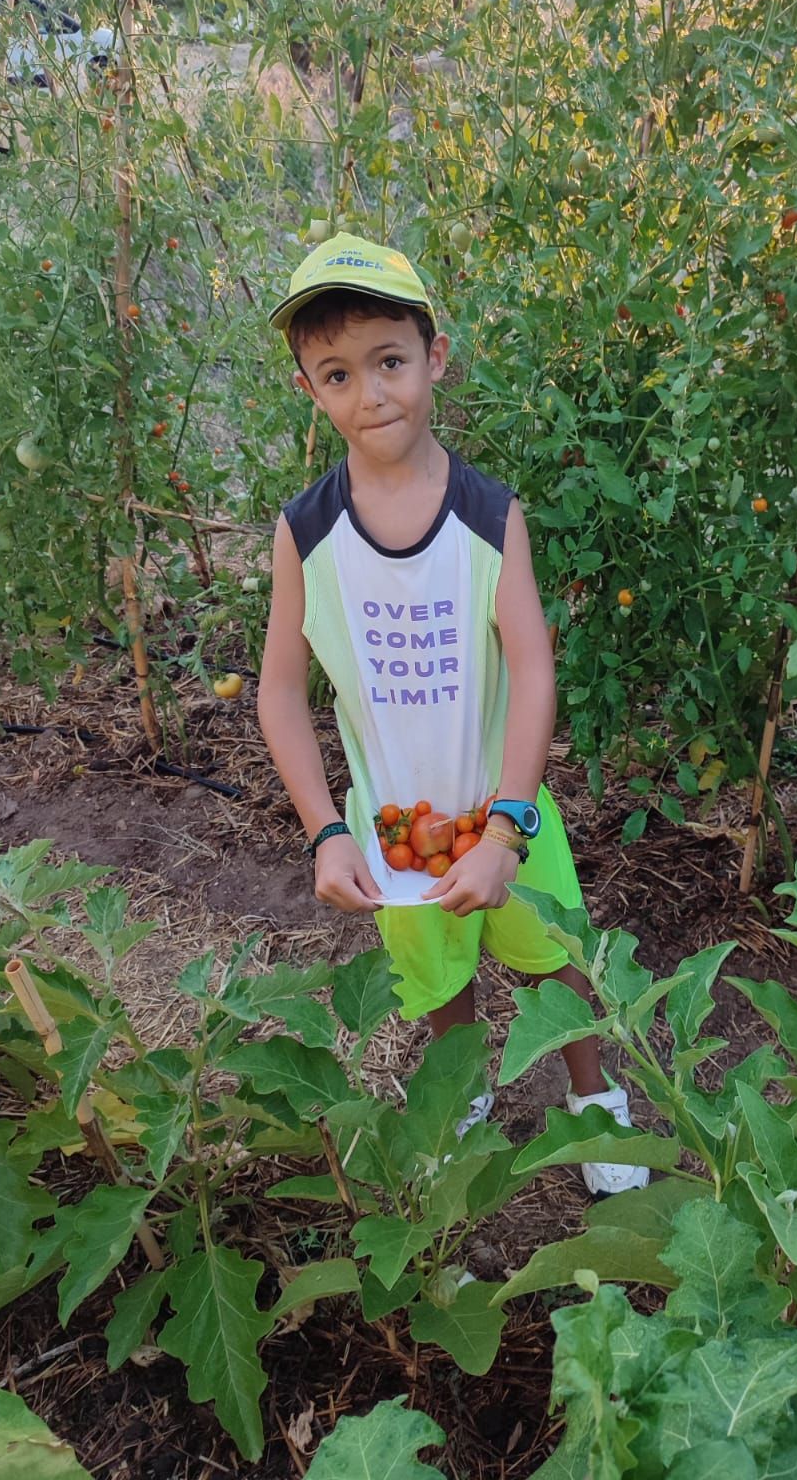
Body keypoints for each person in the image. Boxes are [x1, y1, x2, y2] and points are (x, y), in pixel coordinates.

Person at [257, 232, 648, 1198]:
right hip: (394, 831)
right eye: (337, 374)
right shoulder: (305, 535)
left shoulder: (486, 516)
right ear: (312, 390)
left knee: (557, 967)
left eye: (390, 361)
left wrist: (511, 825)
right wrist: (325, 831)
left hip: (507, 813)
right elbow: (278, 690)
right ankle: (459, 1089)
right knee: (435, 978)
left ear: (436, 356)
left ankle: (594, 1100)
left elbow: (533, 663)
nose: (371, 393)